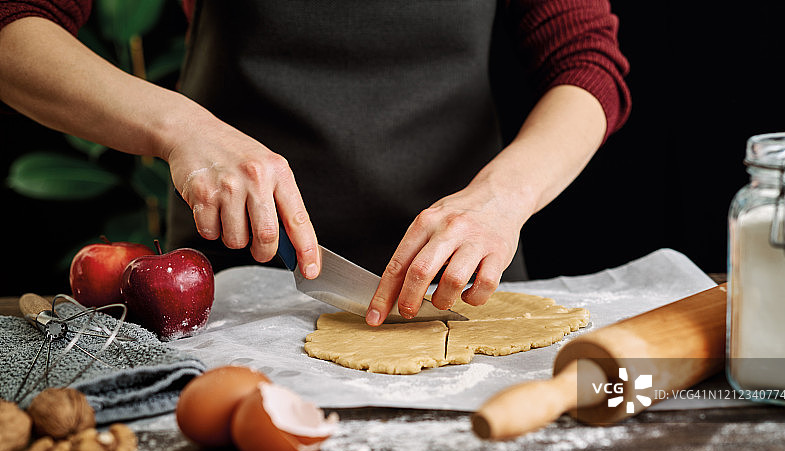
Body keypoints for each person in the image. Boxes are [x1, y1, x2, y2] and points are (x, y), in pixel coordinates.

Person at [0, 0, 630, 326]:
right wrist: (180, 127)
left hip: (458, 289)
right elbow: (14, 27)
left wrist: (504, 197)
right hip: (231, 284)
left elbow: (587, 64)